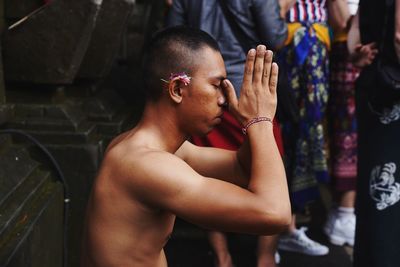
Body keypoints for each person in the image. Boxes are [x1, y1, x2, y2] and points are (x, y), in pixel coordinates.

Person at [80, 26, 291, 267]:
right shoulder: (144, 165)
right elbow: (275, 214)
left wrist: (250, 120)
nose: (224, 99)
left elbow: (243, 169)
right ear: (178, 89)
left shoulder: (159, 150)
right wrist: (261, 122)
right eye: (216, 85)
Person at [166, 1, 288, 266]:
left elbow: (173, 40)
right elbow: (276, 36)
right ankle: (265, 257)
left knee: (207, 174)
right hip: (249, 90)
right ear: (174, 88)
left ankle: (222, 257)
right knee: (268, 163)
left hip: (202, 91)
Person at [275, 0, 331, 256]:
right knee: (287, 134)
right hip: (289, 48)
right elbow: (276, 13)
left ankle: (288, 226)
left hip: (313, 50)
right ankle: (279, 228)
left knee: (305, 135)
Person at [347, 0, 400, 266]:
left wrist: (357, 55)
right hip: (394, 94)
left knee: (374, 190)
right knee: (388, 193)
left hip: (375, 86)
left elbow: (354, 28)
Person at [323, 0, 360, 247]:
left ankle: (342, 212)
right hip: (349, 49)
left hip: (359, 49)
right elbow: (341, 23)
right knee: (347, 131)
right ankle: (344, 214)